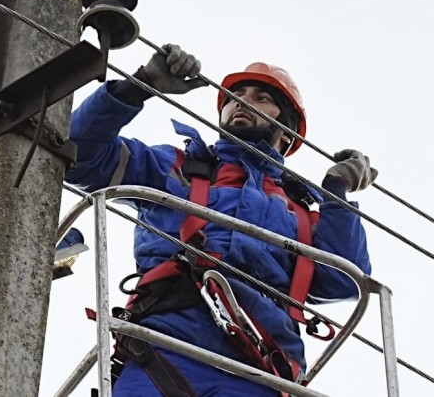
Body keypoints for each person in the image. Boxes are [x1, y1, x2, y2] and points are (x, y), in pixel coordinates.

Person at [65, 44, 375, 396]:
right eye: (235, 95)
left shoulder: (302, 212)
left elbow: (344, 281)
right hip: (165, 347)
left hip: (260, 368)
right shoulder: (176, 169)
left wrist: (336, 193)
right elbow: (78, 154)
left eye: (262, 98)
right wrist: (142, 83)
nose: (241, 101)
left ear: (287, 134)